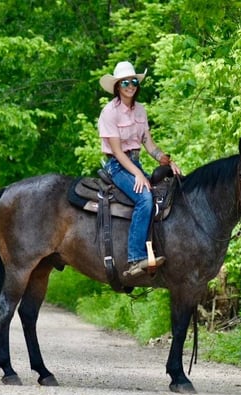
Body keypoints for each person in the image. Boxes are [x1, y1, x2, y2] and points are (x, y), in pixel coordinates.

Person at [98, 61, 181, 277]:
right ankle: (135, 258)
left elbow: (149, 144)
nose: (130, 86)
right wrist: (137, 175)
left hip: (135, 162)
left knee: (162, 193)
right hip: (117, 165)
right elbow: (116, 152)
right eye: (125, 82)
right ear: (117, 86)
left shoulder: (141, 111)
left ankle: (156, 249)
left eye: (133, 81)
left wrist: (166, 160)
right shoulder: (109, 112)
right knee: (144, 198)